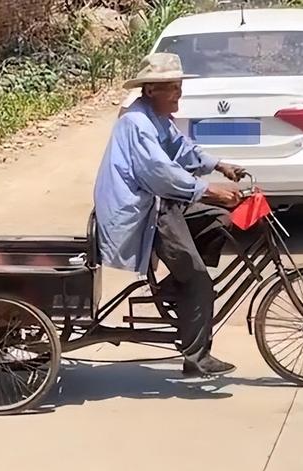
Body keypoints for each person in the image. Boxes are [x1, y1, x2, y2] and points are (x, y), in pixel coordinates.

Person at [93, 53, 246, 376]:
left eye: (178, 87)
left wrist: (219, 165)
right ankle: (195, 357)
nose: (179, 94)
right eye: (172, 88)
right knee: (199, 279)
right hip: (144, 211)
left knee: (220, 220)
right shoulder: (137, 123)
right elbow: (160, 173)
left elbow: (182, 148)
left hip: (160, 203)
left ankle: (176, 287)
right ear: (151, 90)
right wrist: (208, 190)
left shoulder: (157, 117)